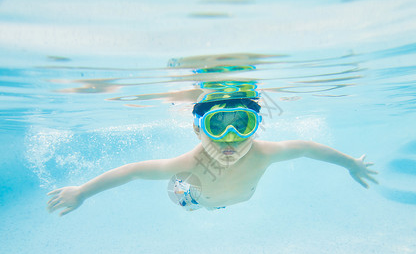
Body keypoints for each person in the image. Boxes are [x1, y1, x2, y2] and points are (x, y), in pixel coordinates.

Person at [47, 96, 378, 216]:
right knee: (179, 193)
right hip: (194, 199)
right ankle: (191, 203)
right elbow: (133, 170)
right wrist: (82, 192)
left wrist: (351, 163)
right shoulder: (189, 164)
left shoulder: (264, 152)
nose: (230, 139)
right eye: (217, 127)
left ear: (255, 127)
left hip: (230, 197)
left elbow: (307, 147)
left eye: (242, 125)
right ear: (197, 130)